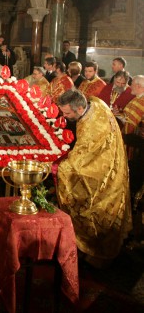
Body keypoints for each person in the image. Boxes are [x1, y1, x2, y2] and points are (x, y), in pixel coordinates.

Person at [56, 89, 132, 268]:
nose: (64, 116)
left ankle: (96, 251)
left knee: (93, 204)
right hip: (109, 162)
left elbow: (81, 160)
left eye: (67, 113)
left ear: (80, 108)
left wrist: (58, 167)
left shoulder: (92, 128)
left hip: (103, 173)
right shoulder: (94, 103)